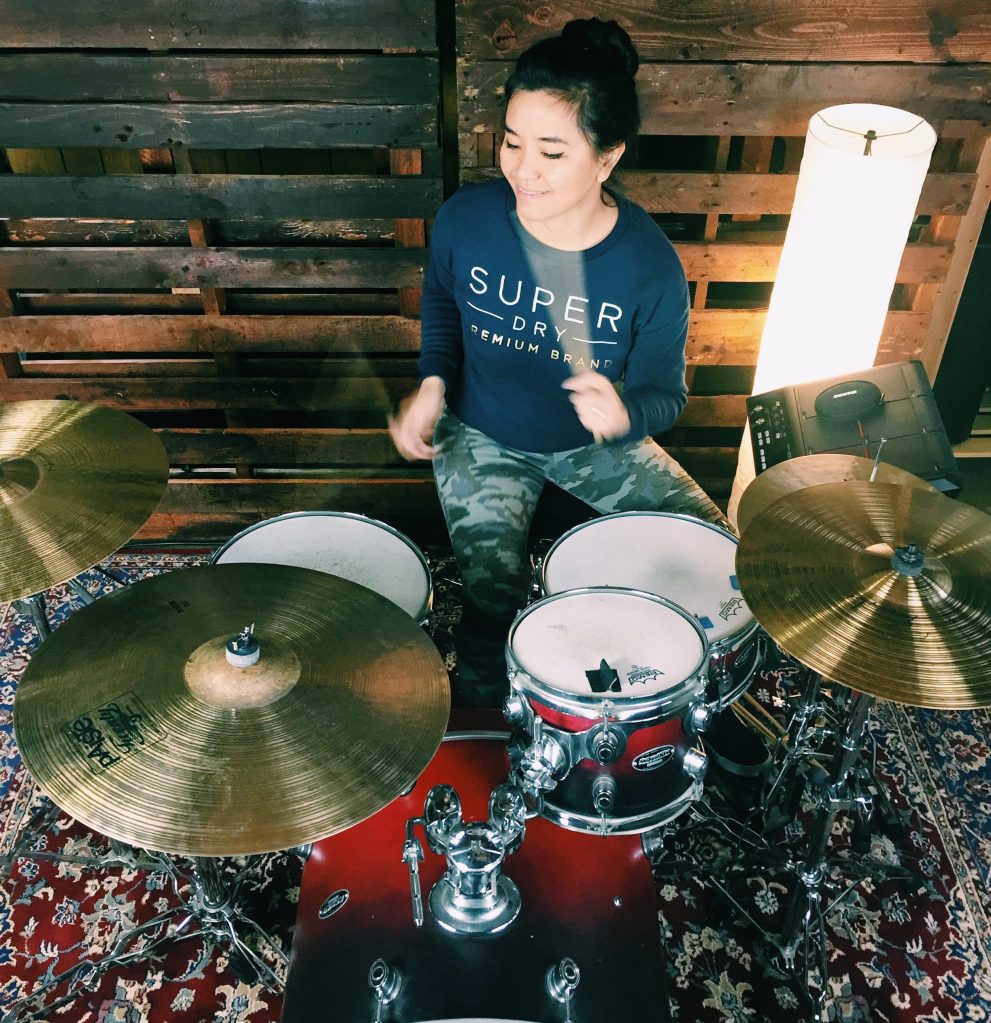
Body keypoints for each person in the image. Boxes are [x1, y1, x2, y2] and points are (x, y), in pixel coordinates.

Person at [389, 17, 726, 705]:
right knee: (491, 593)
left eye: (551, 151)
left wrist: (625, 415)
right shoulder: (467, 219)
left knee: (713, 546)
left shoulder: (648, 266)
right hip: (479, 432)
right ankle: (481, 702)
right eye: (512, 142)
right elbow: (444, 302)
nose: (523, 169)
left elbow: (666, 394)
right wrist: (433, 382)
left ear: (606, 158)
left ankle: (674, 692)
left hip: (588, 444)